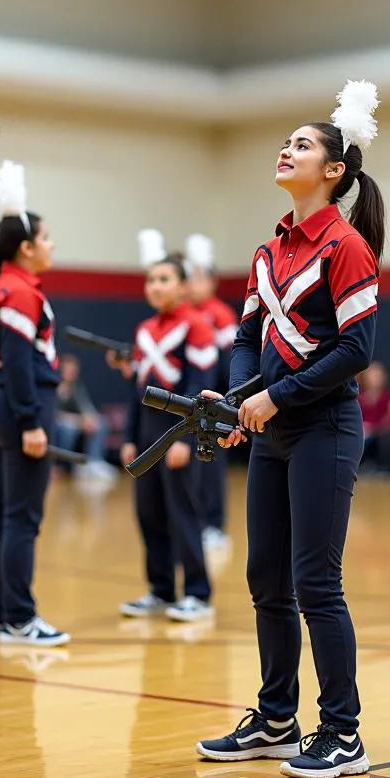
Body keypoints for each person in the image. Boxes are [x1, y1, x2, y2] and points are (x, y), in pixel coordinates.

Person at [196, 80, 384, 778]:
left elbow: (356, 351)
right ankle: (277, 718)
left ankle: (344, 733)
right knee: (264, 578)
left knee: (315, 583)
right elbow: (248, 334)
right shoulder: (266, 252)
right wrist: (243, 395)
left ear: (334, 171)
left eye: (300, 145)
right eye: (285, 143)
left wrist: (278, 396)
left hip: (323, 429)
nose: (286, 149)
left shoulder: (346, 246)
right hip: (273, 428)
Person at [0, 160, 68, 646]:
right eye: (47, 238)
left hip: (4, 408)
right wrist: (32, 422)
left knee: (4, 514)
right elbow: (16, 362)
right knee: (21, 519)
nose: (52, 246)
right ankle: (18, 617)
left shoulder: (6, 286)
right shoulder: (18, 290)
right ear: (26, 248)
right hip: (21, 409)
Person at [116, 229, 218, 622]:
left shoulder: (197, 325)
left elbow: (200, 386)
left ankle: (198, 592)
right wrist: (128, 437)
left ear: (184, 285)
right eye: (151, 280)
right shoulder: (144, 330)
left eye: (164, 279)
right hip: (147, 431)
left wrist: (187, 440)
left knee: (183, 511)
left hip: (179, 432)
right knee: (149, 512)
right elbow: (136, 389)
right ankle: (160, 589)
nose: (155, 286)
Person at [184, 232, 239, 549]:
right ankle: (195, 520)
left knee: (211, 464)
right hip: (191, 402)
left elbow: (229, 362)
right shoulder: (184, 315)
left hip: (213, 400)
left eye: (198, 277)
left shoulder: (220, 315)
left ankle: (215, 524)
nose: (192, 284)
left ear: (212, 281)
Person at [54, 353, 115, 484]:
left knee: (101, 422)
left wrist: (90, 419)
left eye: (74, 369)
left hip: (77, 423)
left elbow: (86, 408)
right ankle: (62, 466)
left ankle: (94, 462)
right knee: (68, 428)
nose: (72, 372)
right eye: (69, 369)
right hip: (60, 425)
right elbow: (54, 414)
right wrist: (79, 421)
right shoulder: (54, 385)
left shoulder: (76, 387)